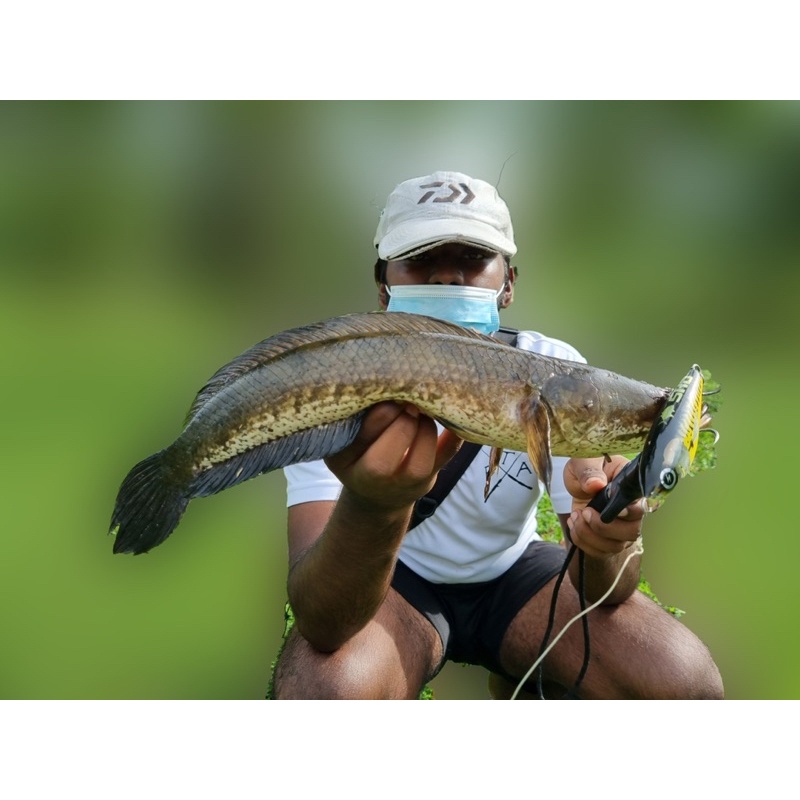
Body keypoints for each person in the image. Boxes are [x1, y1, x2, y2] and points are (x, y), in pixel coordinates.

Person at [271, 170, 723, 700]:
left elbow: (606, 588)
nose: (447, 277)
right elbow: (322, 617)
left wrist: (605, 542)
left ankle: (518, 678)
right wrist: (374, 506)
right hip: (394, 584)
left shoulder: (557, 370)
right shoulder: (336, 381)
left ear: (507, 283)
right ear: (383, 283)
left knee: (686, 681)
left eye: (471, 259)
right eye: (419, 258)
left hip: (513, 575)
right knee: (328, 692)